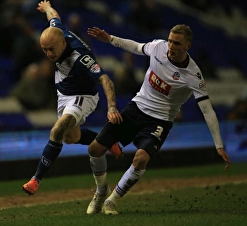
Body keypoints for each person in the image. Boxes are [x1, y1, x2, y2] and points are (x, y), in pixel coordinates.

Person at [85, 25, 231, 215]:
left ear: (188, 46)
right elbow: (136, 47)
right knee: (94, 149)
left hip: (159, 121)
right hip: (136, 108)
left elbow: (208, 111)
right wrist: (110, 39)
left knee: (141, 158)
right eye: (170, 40)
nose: (171, 45)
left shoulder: (193, 75)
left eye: (177, 43)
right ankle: (101, 191)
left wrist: (218, 145)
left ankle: (112, 201)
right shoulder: (158, 47)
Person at [22, 0, 123, 195]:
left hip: (83, 95)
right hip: (64, 91)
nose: (49, 54)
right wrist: (47, 7)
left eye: (51, 49)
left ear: (63, 43)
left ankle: (36, 179)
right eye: (45, 50)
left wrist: (111, 108)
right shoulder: (57, 33)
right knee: (72, 137)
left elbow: (105, 80)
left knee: (59, 128)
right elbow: (54, 18)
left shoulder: (81, 56)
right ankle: (108, 141)